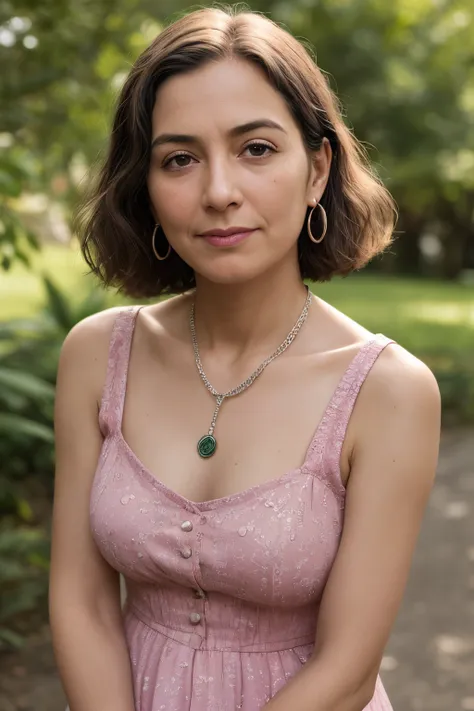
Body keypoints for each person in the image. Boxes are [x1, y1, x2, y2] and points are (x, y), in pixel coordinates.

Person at [48, 6, 441, 711]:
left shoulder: (387, 390)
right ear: (146, 185)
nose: (219, 191)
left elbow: (348, 668)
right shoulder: (97, 355)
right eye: (180, 158)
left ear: (317, 169)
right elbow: (81, 604)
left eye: (256, 148)